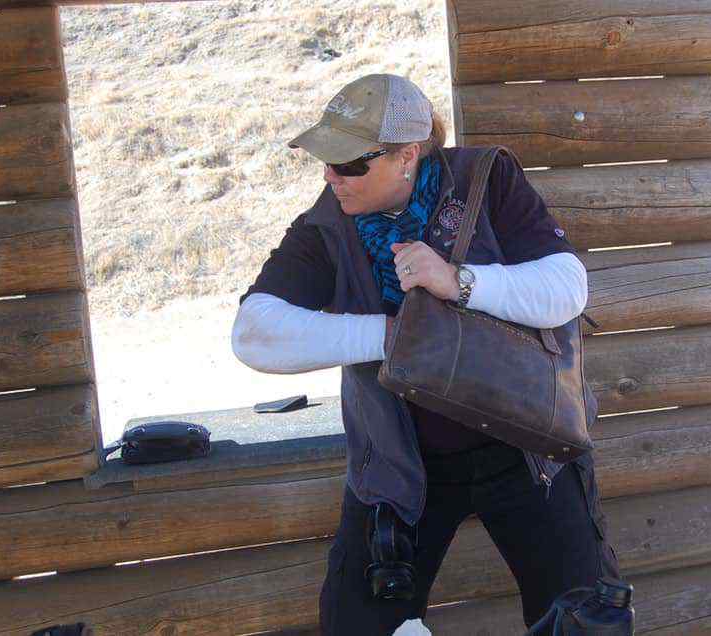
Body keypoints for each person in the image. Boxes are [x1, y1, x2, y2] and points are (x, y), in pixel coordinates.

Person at [231, 73, 622, 635]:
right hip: (399, 458)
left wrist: (458, 282)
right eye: (326, 161)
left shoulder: (487, 180)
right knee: (356, 624)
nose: (330, 177)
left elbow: (566, 287)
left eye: (349, 163)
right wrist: (394, 337)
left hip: (527, 447)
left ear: (407, 155)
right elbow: (253, 332)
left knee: (583, 618)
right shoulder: (328, 226)